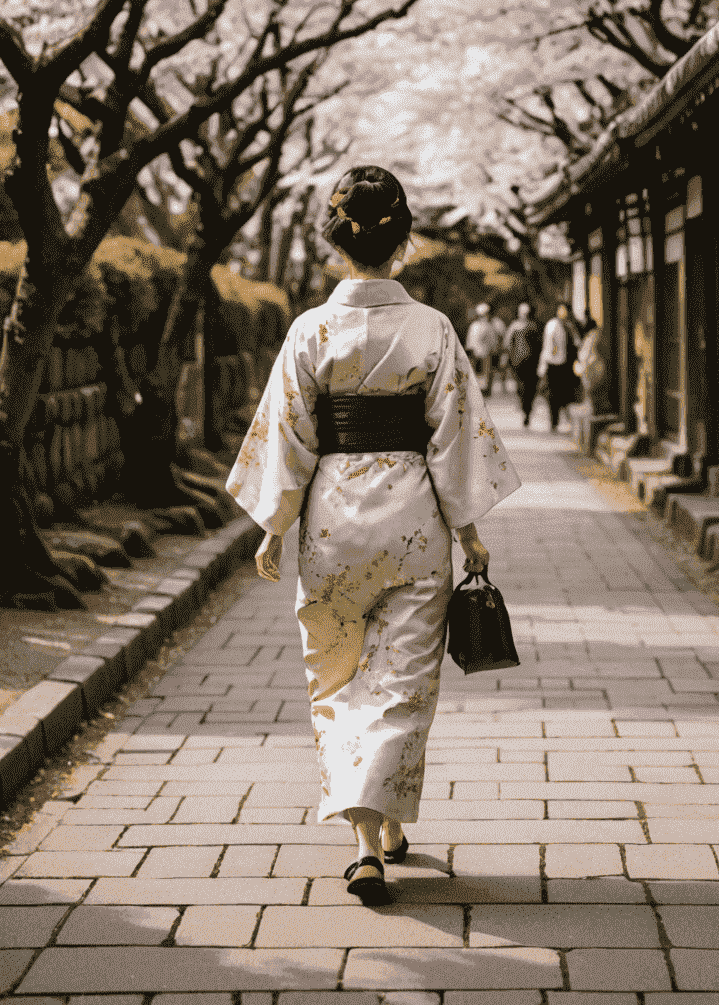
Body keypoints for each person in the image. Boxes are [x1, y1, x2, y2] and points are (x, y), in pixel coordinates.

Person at [226, 166, 520, 907]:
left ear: (334, 241)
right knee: (403, 682)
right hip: (414, 520)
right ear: (404, 241)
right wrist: (470, 528)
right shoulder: (432, 329)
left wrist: (274, 523)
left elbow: (288, 433)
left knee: (337, 673)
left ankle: (367, 839)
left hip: (330, 519)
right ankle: (379, 825)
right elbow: (454, 435)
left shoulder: (309, 331)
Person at [537, 302, 579, 432]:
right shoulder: (552, 325)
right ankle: (554, 421)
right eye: (561, 310)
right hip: (553, 364)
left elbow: (577, 342)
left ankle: (564, 420)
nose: (563, 313)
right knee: (553, 395)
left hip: (566, 365)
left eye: (565, 310)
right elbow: (548, 347)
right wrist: (543, 366)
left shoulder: (569, 326)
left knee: (565, 394)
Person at [502, 302, 542, 427]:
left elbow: (539, 345)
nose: (524, 314)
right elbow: (507, 344)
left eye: (526, 312)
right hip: (518, 362)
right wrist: (507, 358)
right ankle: (524, 409)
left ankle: (527, 411)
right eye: (522, 312)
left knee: (530, 388)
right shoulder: (514, 327)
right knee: (521, 387)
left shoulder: (534, 326)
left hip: (532, 362)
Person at [464, 301, 503, 396]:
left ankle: (482, 390)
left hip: (479, 354)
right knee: (484, 373)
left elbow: (469, 343)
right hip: (483, 354)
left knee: (482, 373)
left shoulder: (475, 325)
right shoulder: (486, 326)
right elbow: (493, 342)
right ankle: (483, 390)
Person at [574, 316, 608, 414]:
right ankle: (595, 410)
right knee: (594, 393)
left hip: (591, 366)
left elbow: (585, 353)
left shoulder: (592, 336)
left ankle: (595, 411)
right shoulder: (596, 334)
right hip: (594, 365)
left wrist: (582, 364)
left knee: (592, 392)